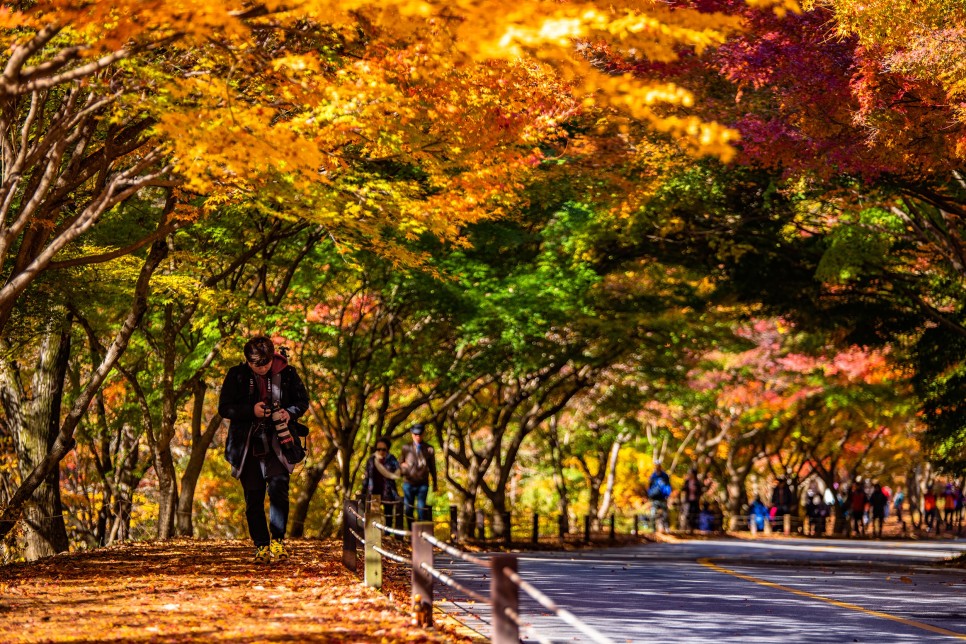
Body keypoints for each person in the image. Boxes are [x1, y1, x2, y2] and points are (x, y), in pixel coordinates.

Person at [219, 336, 309, 564]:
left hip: (280, 441)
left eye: (265, 364)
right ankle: (261, 545)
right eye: (256, 365)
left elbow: (303, 401)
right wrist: (252, 410)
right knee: (253, 498)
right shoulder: (236, 375)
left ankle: (278, 542)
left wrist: (289, 412)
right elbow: (224, 408)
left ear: (272, 358)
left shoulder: (287, 373)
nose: (261, 368)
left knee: (279, 491)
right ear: (247, 361)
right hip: (247, 445)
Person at [360, 437, 403, 532]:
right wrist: (363, 491)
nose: (381, 451)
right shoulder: (371, 460)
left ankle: (388, 535)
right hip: (374, 491)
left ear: (387, 449)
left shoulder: (392, 459)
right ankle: (374, 535)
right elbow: (367, 476)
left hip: (388, 491)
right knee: (374, 515)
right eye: (378, 449)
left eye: (383, 449)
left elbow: (399, 472)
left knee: (389, 515)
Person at [400, 423, 438, 528]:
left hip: (423, 483)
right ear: (412, 434)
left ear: (423, 434)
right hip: (408, 482)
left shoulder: (429, 449)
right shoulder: (406, 448)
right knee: (408, 509)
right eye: (415, 434)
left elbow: (433, 467)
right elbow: (400, 463)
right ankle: (412, 533)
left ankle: (421, 534)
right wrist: (403, 468)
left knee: (421, 508)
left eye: (420, 434)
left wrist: (435, 483)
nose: (418, 436)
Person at [647, 463, 672, 533]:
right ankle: (653, 529)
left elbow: (668, 486)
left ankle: (666, 528)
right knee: (653, 513)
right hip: (654, 498)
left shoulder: (664, 476)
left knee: (665, 514)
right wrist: (650, 494)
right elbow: (649, 486)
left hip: (663, 497)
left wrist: (667, 494)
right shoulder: (653, 476)